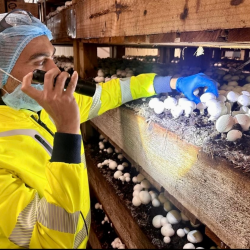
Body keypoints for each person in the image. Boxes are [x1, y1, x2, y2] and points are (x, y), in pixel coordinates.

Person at [0, 10, 218, 249]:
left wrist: (171, 82)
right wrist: (67, 130)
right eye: (40, 62)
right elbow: (53, 242)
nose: (56, 70)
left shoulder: (40, 108)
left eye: (52, 57)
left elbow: (109, 93)